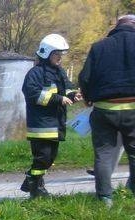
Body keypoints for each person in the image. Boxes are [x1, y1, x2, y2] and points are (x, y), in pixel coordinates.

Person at [79, 15, 135, 206]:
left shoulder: (99, 46)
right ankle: (132, 195)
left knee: (103, 154)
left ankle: (105, 198)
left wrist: (87, 99)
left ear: (117, 26)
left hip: (104, 109)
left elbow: (84, 78)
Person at [21, 34, 81, 198]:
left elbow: (67, 89)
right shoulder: (35, 73)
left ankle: (33, 181)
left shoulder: (59, 72)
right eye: (56, 54)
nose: (60, 58)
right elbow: (32, 94)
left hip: (55, 124)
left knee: (49, 158)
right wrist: (58, 99)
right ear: (46, 54)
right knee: (43, 158)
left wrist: (73, 95)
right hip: (41, 126)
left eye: (61, 55)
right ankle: (35, 188)